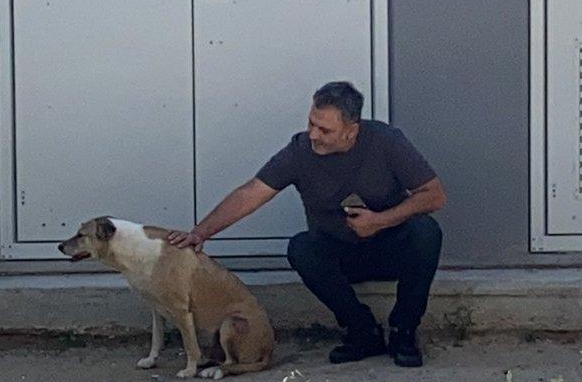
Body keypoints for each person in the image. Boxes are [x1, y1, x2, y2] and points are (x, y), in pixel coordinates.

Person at [167, 81, 446, 367]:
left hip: (389, 247)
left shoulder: (386, 141)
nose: (314, 135)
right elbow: (251, 194)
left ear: (352, 130)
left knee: (426, 233)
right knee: (301, 248)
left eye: (325, 130)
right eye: (311, 123)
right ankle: (362, 331)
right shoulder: (300, 151)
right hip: (340, 254)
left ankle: (404, 332)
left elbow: (434, 196)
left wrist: (379, 221)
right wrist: (201, 232)